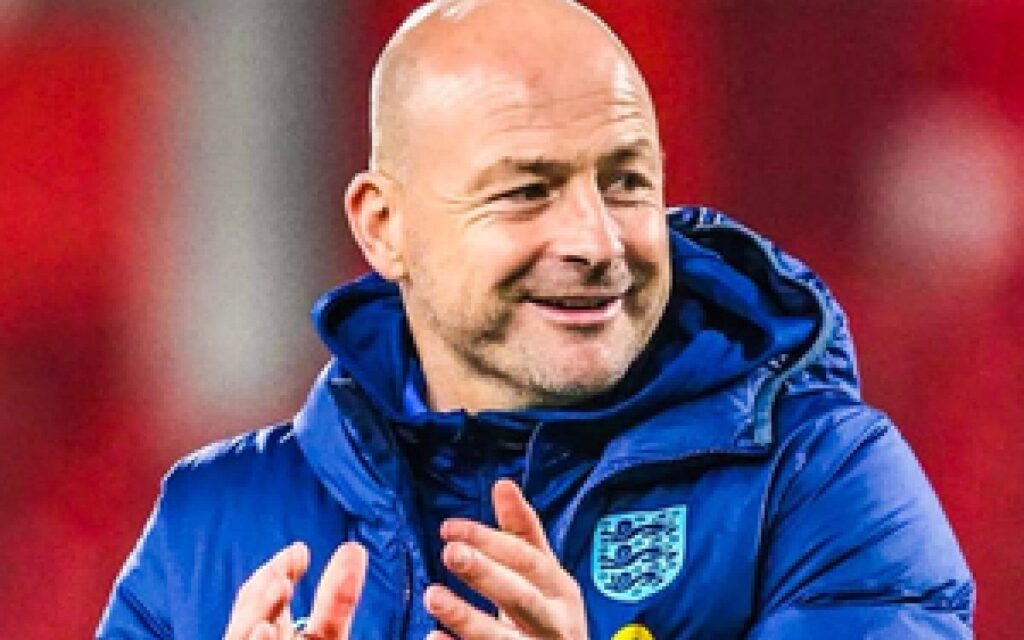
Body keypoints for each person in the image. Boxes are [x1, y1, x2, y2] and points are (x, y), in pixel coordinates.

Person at [97, 0, 974, 638]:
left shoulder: (824, 482)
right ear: (384, 226)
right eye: (527, 191)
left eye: (626, 181)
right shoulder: (210, 524)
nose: (596, 241)